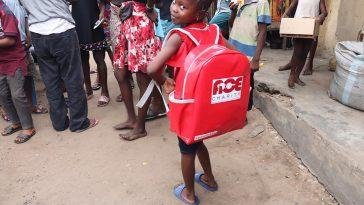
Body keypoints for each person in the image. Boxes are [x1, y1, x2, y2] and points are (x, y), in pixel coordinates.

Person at [147, 0, 238, 203]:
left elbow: (152, 68)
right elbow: (236, 55)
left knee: (187, 147)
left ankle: (189, 193)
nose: (174, 8)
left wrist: (164, 80)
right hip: (207, 102)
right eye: (175, 2)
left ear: (199, 13)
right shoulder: (215, 31)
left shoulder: (179, 37)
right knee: (198, 140)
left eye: (183, 6)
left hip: (188, 103)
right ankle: (210, 179)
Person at [20, 0, 98, 132]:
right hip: (61, 29)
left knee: (51, 81)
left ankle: (59, 123)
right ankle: (79, 123)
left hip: (37, 33)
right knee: (73, 78)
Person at [112, 0, 161, 141]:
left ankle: (140, 128)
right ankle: (132, 119)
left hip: (140, 23)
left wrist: (150, 7)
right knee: (120, 73)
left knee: (142, 77)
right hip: (124, 20)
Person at [3, 0, 48, 114]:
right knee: (6, 82)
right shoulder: (4, 4)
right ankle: (8, 111)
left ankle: (32, 105)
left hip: (23, 43)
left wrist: (28, 35)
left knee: (28, 75)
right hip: (7, 47)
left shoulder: (20, 1)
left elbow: (25, 17)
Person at [0, 0, 36, 143]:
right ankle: (16, 122)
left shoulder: (5, 12)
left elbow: (10, 40)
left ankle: (28, 127)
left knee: (17, 94)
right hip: (1, 62)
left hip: (14, 60)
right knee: (2, 94)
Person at [229, 0, 271, 110]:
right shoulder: (240, 2)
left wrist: (256, 59)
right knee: (234, 83)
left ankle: (246, 109)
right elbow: (231, 24)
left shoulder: (262, 3)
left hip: (248, 55)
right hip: (233, 49)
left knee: (247, 84)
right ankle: (235, 109)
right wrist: (233, 11)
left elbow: (263, 32)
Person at [71, 0, 110, 107]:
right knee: (83, 59)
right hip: (78, 21)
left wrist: (102, 13)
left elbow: (102, 1)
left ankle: (105, 92)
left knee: (99, 58)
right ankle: (88, 90)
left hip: (94, 19)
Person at [278, 0, 327, 82]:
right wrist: (284, 16)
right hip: (299, 25)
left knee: (304, 53)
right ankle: (292, 75)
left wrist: (321, 16)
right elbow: (291, 7)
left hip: (311, 26)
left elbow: (324, 12)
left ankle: (296, 76)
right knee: (297, 52)